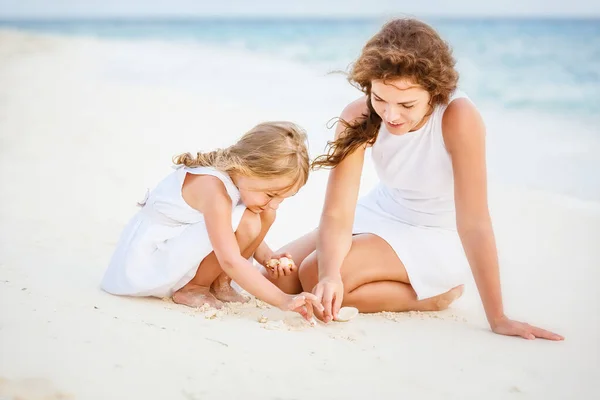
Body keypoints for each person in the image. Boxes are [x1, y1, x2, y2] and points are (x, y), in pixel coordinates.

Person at [266, 18, 563, 340]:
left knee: (313, 274)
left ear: (434, 93)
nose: (391, 116)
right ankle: (361, 275)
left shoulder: (457, 117)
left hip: (437, 233)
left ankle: (435, 296)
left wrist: (498, 317)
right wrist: (331, 275)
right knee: (278, 277)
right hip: (382, 210)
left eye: (407, 104)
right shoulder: (358, 115)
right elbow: (337, 211)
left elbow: (474, 221)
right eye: (380, 99)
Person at [101, 121, 323, 321]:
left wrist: (268, 258)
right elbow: (229, 258)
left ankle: (219, 284)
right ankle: (194, 288)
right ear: (248, 168)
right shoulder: (214, 191)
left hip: (181, 245)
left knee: (264, 214)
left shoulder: (239, 181)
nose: (275, 204)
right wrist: (283, 300)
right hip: (151, 259)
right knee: (249, 220)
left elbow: (226, 228)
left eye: (283, 198)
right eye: (271, 195)